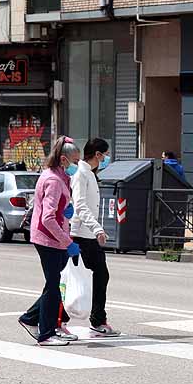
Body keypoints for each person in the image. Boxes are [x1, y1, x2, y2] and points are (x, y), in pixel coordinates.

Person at [18, 137, 82, 346]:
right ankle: (45, 333)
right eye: (75, 161)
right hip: (49, 239)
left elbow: (54, 209)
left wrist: (66, 212)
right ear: (63, 159)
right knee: (54, 286)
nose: (77, 165)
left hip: (51, 237)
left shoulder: (59, 176)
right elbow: (47, 217)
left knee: (54, 285)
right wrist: (67, 242)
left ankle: (31, 319)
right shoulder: (54, 180)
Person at [71, 137, 119, 337]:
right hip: (80, 234)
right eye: (105, 155)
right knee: (75, 278)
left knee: (97, 275)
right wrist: (97, 228)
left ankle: (97, 319)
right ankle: (50, 319)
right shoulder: (81, 174)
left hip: (87, 234)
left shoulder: (89, 173)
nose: (107, 158)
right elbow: (80, 204)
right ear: (97, 155)